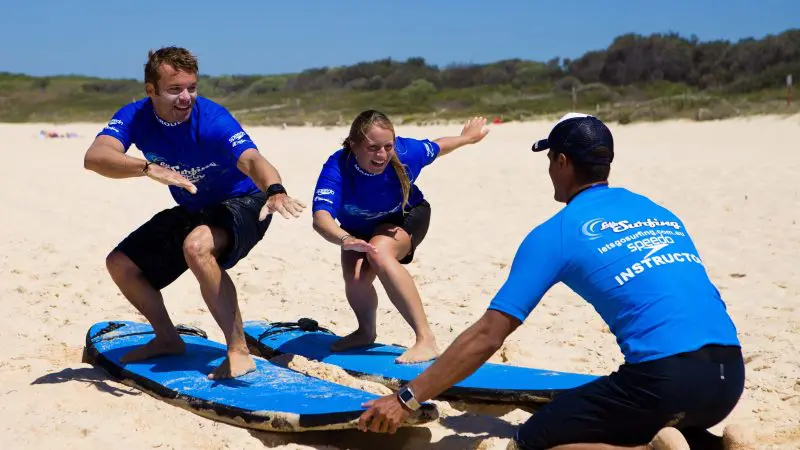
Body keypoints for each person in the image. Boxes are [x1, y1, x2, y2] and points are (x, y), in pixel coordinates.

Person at [358, 113, 754, 450]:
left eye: (550, 158)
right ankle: (714, 444)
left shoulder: (558, 232)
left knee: (533, 440)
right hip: (728, 377)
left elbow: (488, 336)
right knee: (646, 413)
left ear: (562, 161)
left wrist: (407, 398)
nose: (549, 168)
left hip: (665, 381)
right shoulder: (657, 211)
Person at [83, 46, 306, 380]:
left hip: (245, 202)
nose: (186, 97)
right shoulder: (134, 117)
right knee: (121, 264)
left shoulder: (212, 118)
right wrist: (146, 168)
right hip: (195, 206)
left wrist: (274, 188)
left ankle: (238, 351)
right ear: (151, 91)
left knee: (197, 247)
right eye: (175, 89)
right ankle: (167, 339)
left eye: (191, 87)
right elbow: (96, 156)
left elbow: (251, 159)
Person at [311, 110, 490, 363]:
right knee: (355, 278)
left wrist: (467, 138)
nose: (382, 155)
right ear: (353, 145)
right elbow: (321, 218)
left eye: (387, 146)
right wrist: (344, 239)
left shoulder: (407, 153)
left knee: (379, 253)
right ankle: (365, 332)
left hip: (407, 216)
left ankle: (426, 339)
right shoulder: (337, 167)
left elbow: (438, 146)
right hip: (356, 230)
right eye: (373, 147)